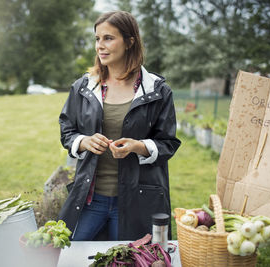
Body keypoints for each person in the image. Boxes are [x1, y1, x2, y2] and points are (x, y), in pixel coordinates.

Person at [58, 11, 181, 241]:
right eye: (97, 39)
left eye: (108, 38)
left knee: (129, 259)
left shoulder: (157, 90)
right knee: (69, 255)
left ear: (129, 41)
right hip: (90, 199)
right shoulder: (83, 87)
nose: (100, 46)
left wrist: (138, 146)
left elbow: (168, 143)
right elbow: (67, 130)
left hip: (136, 200)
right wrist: (83, 141)